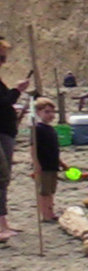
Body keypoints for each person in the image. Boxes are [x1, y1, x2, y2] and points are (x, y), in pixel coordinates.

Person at [0, 41, 26, 242]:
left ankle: (3, 222)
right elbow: (2, 103)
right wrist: (16, 91)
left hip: (6, 131)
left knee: (4, 178)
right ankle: (1, 226)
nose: (3, 62)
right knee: (1, 177)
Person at [31, 98, 59, 224]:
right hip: (44, 165)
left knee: (51, 190)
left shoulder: (51, 129)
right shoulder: (37, 128)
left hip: (53, 164)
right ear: (38, 113)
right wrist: (37, 165)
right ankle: (46, 215)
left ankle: (51, 212)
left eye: (53, 112)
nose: (51, 115)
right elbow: (33, 148)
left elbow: (54, 149)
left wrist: (62, 163)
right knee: (44, 191)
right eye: (47, 112)